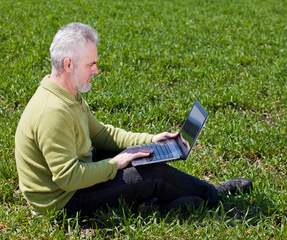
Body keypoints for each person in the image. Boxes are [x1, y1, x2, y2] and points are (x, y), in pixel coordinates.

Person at [15, 22, 253, 216]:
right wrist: (116, 164)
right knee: (152, 175)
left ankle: (166, 203)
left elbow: (101, 134)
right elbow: (69, 177)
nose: (96, 70)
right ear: (69, 64)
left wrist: (149, 140)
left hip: (76, 173)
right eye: (91, 64)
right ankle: (214, 196)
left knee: (145, 158)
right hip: (63, 201)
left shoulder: (66, 94)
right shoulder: (53, 112)